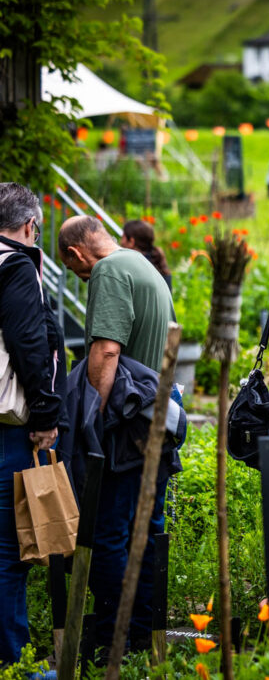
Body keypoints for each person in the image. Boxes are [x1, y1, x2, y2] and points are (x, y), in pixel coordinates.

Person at [57, 214, 176, 654]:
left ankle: (112, 638)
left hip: (126, 426)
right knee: (146, 528)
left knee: (110, 532)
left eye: (75, 271)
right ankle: (143, 632)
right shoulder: (142, 264)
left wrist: (94, 420)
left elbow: (107, 350)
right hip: (155, 420)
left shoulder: (108, 270)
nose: (80, 276)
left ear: (75, 253)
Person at [0, 183, 66, 666]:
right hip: (6, 427)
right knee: (9, 549)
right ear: (29, 227)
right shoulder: (16, 267)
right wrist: (46, 416)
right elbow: (30, 345)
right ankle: (14, 661)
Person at [121, 219, 172, 289]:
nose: (121, 242)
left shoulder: (133, 266)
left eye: (123, 237)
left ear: (131, 242)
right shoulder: (158, 263)